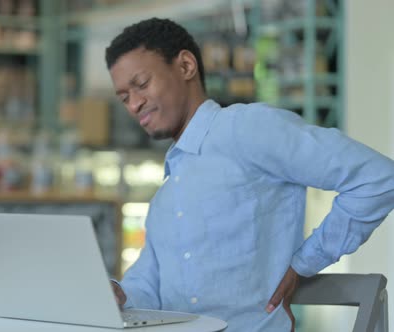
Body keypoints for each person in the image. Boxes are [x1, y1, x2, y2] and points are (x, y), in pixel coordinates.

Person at [105, 17, 394, 331]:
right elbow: (149, 284)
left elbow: (378, 178)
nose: (134, 104)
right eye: (124, 97)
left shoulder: (248, 129)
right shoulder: (167, 194)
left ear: (186, 66)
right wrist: (119, 292)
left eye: (142, 84)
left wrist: (304, 263)